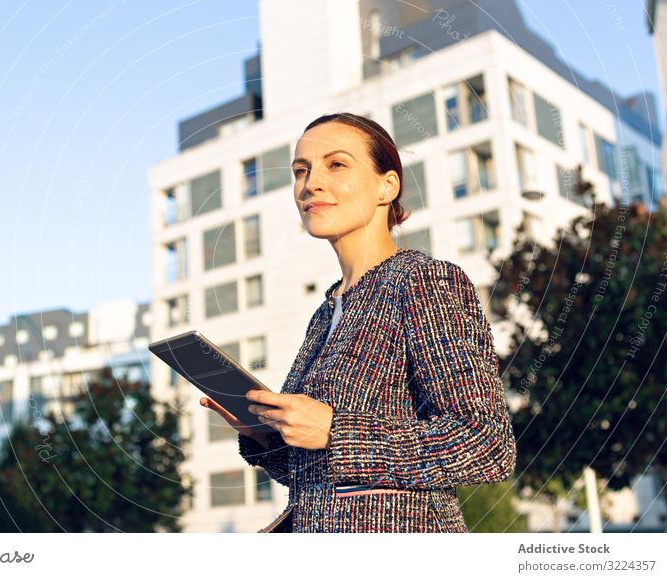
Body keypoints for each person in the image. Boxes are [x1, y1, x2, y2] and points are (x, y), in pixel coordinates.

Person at [200, 112, 516, 532]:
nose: (310, 183)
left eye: (337, 164)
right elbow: (318, 475)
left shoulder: (423, 281)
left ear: (387, 186)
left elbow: (487, 444)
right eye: (301, 170)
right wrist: (265, 435)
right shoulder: (326, 311)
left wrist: (335, 431)